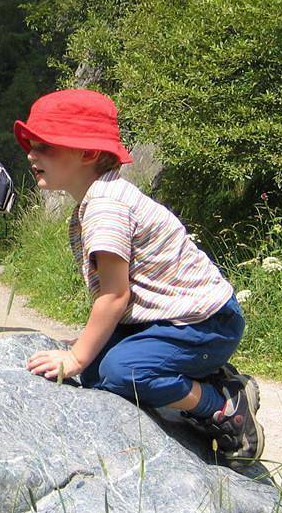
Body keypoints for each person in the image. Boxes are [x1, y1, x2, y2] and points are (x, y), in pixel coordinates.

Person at [16, 89, 263, 465]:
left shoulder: (106, 206)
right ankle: (208, 378)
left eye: (45, 146)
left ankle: (225, 406)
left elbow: (115, 296)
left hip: (207, 322)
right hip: (173, 320)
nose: (32, 154)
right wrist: (85, 354)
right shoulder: (100, 197)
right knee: (98, 373)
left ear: (87, 153)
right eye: (32, 144)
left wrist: (76, 355)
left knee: (121, 370)